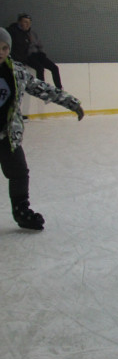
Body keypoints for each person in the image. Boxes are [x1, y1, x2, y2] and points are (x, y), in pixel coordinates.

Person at [0, 27, 84, 230]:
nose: (1, 52)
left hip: (7, 136)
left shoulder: (17, 72)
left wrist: (71, 103)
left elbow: (43, 88)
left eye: (4, 48)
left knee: (19, 172)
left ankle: (21, 211)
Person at [7, 13, 63, 90]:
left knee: (54, 68)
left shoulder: (32, 33)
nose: (27, 24)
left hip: (38, 55)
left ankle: (59, 88)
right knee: (40, 68)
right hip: (28, 56)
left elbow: (39, 44)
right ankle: (41, 88)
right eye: (25, 22)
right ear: (19, 22)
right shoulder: (14, 33)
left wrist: (42, 53)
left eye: (29, 23)